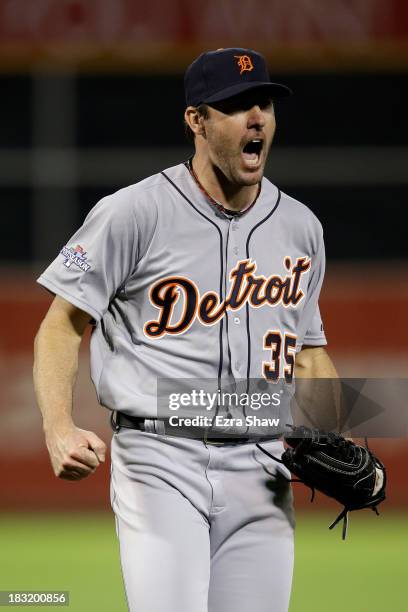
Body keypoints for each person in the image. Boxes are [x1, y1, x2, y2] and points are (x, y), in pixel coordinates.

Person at [33, 48, 338, 612]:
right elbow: (58, 327)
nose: (257, 118)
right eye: (236, 105)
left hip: (263, 464)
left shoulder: (301, 227)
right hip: (158, 455)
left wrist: (332, 433)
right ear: (196, 121)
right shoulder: (133, 213)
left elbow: (309, 351)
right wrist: (58, 427)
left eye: (264, 103)